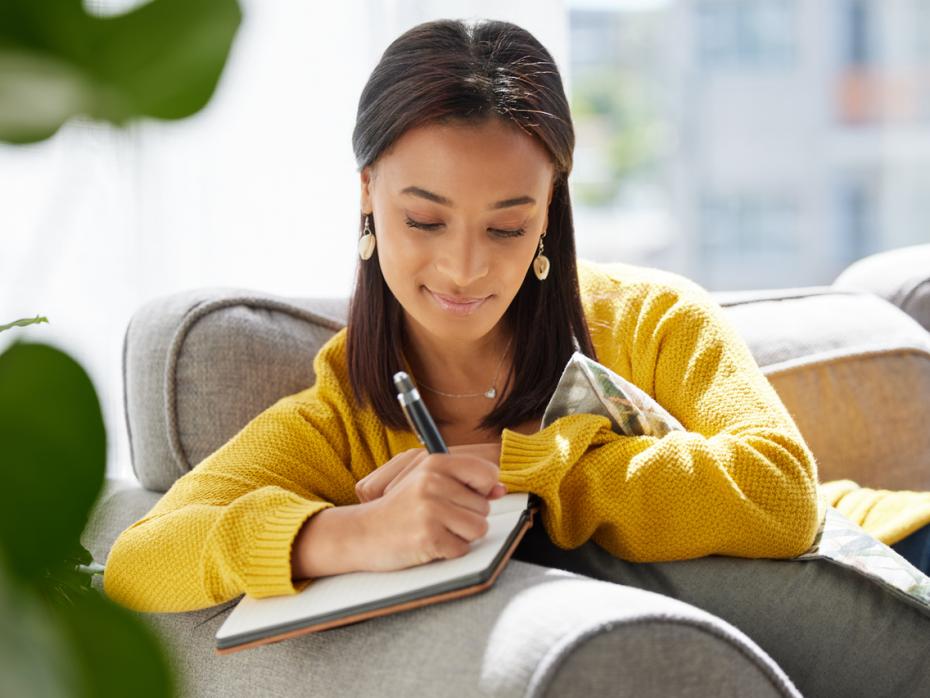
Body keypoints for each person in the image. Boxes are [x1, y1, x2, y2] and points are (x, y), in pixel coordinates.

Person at [103, 18, 930, 696]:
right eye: (425, 221)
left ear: (549, 209)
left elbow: (782, 494)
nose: (466, 269)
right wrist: (348, 534)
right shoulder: (338, 425)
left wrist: (525, 475)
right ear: (366, 193)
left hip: (892, 561)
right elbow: (138, 562)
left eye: (507, 226)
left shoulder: (648, 318)